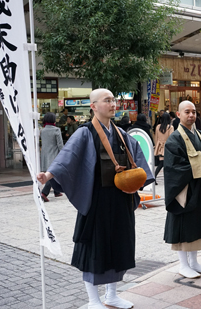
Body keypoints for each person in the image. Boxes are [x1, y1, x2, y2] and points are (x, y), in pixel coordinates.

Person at [37, 88, 154, 309]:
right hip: (97, 200)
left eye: (113, 100)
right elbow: (67, 157)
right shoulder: (85, 132)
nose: (113, 104)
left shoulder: (121, 133)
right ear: (94, 106)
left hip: (120, 199)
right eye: (107, 101)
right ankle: (93, 300)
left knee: (119, 246)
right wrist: (48, 175)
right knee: (94, 249)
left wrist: (137, 184)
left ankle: (112, 296)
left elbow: (137, 158)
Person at [163, 101, 201, 278]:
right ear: (178, 114)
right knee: (184, 227)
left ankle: (195, 262)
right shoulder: (174, 139)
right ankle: (183, 264)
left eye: (194, 112)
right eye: (187, 112)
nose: (191, 115)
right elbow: (174, 167)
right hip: (185, 189)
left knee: (198, 226)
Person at [40, 112, 64, 202]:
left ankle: (56, 191)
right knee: (52, 174)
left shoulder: (42, 130)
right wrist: (64, 155)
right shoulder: (56, 130)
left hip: (45, 155)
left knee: (52, 173)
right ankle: (44, 193)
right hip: (54, 155)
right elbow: (60, 145)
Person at [154, 112, 174, 182]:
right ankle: (167, 178)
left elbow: (156, 137)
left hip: (160, 146)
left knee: (162, 163)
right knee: (166, 163)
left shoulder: (158, 127)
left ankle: (155, 176)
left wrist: (156, 146)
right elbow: (171, 138)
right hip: (167, 147)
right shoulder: (170, 127)